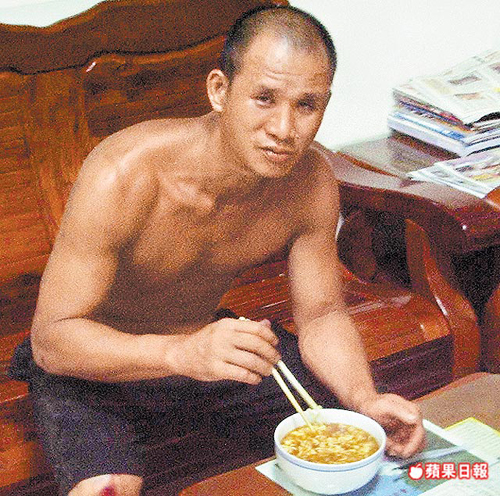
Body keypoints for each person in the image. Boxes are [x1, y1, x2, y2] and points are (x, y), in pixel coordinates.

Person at [9, 5, 425, 496]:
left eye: (306, 105)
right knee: (108, 490)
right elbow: (52, 341)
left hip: (205, 347)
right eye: (264, 98)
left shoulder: (311, 182)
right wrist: (179, 353)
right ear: (219, 91)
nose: (284, 129)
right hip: (94, 365)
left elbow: (321, 315)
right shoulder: (124, 174)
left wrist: (363, 398)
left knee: (353, 445)